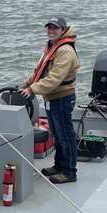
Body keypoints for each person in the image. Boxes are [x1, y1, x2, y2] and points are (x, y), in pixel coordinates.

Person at [18, 17, 79, 184]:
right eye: (49, 27)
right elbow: (43, 69)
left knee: (66, 136)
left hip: (62, 98)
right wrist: (29, 81)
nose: (51, 31)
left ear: (63, 30)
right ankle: (59, 166)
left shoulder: (65, 50)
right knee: (58, 136)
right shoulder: (53, 45)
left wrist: (32, 90)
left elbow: (54, 79)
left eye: (55, 28)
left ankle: (69, 172)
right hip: (51, 97)